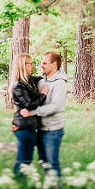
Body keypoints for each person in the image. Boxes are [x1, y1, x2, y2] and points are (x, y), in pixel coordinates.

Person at [20, 51, 67, 180]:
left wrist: (32, 113)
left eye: (45, 63)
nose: (41, 65)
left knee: (52, 164)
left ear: (54, 64)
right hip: (40, 129)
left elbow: (56, 107)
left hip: (52, 131)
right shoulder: (41, 80)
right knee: (44, 163)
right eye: (41, 63)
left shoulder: (60, 84)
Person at [9, 53, 47, 175]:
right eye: (30, 64)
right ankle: (19, 183)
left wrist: (44, 76)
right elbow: (29, 105)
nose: (32, 66)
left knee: (23, 158)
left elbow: (37, 78)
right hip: (23, 126)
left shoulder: (28, 81)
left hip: (28, 126)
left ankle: (17, 182)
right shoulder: (19, 86)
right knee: (25, 160)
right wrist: (43, 95)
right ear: (23, 66)